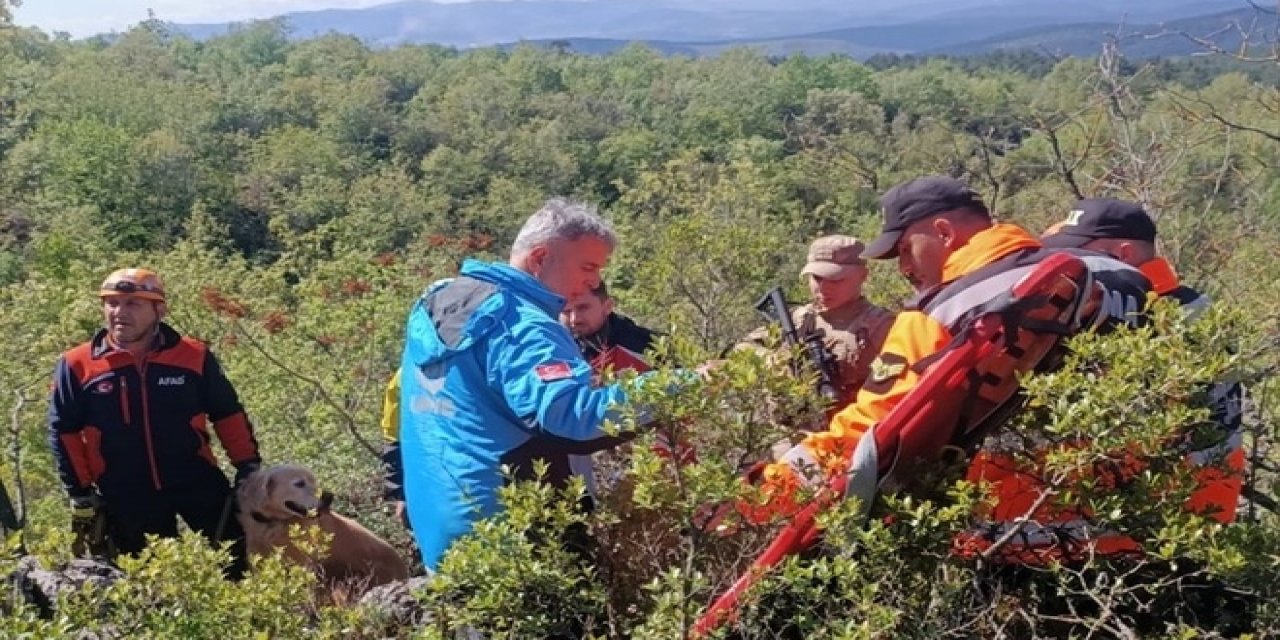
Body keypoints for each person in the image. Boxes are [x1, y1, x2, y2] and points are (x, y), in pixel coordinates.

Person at [755, 177, 1153, 542]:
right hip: (1133, 523)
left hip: (1011, 530)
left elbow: (869, 430)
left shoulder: (941, 312)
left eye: (905, 250)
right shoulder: (1111, 280)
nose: (905, 268)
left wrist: (767, 492)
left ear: (944, 232)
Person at [399, 198, 663, 570]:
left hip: (443, 529)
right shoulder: (522, 325)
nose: (594, 282)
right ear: (540, 259)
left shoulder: (438, 299)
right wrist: (681, 387)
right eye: (587, 267)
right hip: (516, 534)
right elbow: (574, 420)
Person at [1041, 198, 1246, 526]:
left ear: (1124, 254)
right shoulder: (1190, 307)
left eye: (1084, 251)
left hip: (1164, 525)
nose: (1075, 261)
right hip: (1186, 520)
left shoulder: (1164, 315)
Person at [49, 268, 261, 577]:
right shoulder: (77, 364)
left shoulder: (193, 355)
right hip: (126, 493)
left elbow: (226, 412)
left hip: (197, 481)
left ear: (158, 309)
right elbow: (63, 430)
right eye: (112, 303)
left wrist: (248, 465)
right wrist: (79, 490)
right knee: (154, 585)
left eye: (133, 304)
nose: (119, 312)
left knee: (240, 566)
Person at [743, 235, 895, 405]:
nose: (823, 288)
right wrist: (777, 362)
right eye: (817, 278)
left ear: (863, 275)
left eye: (835, 279)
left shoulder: (883, 326)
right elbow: (743, 349)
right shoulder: (799, 319)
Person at [561, 281, 660, 373]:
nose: (574, 319)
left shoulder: (646, 346)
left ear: (607, 307)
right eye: (566, 311)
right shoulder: (552, 348)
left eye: (583, 308)